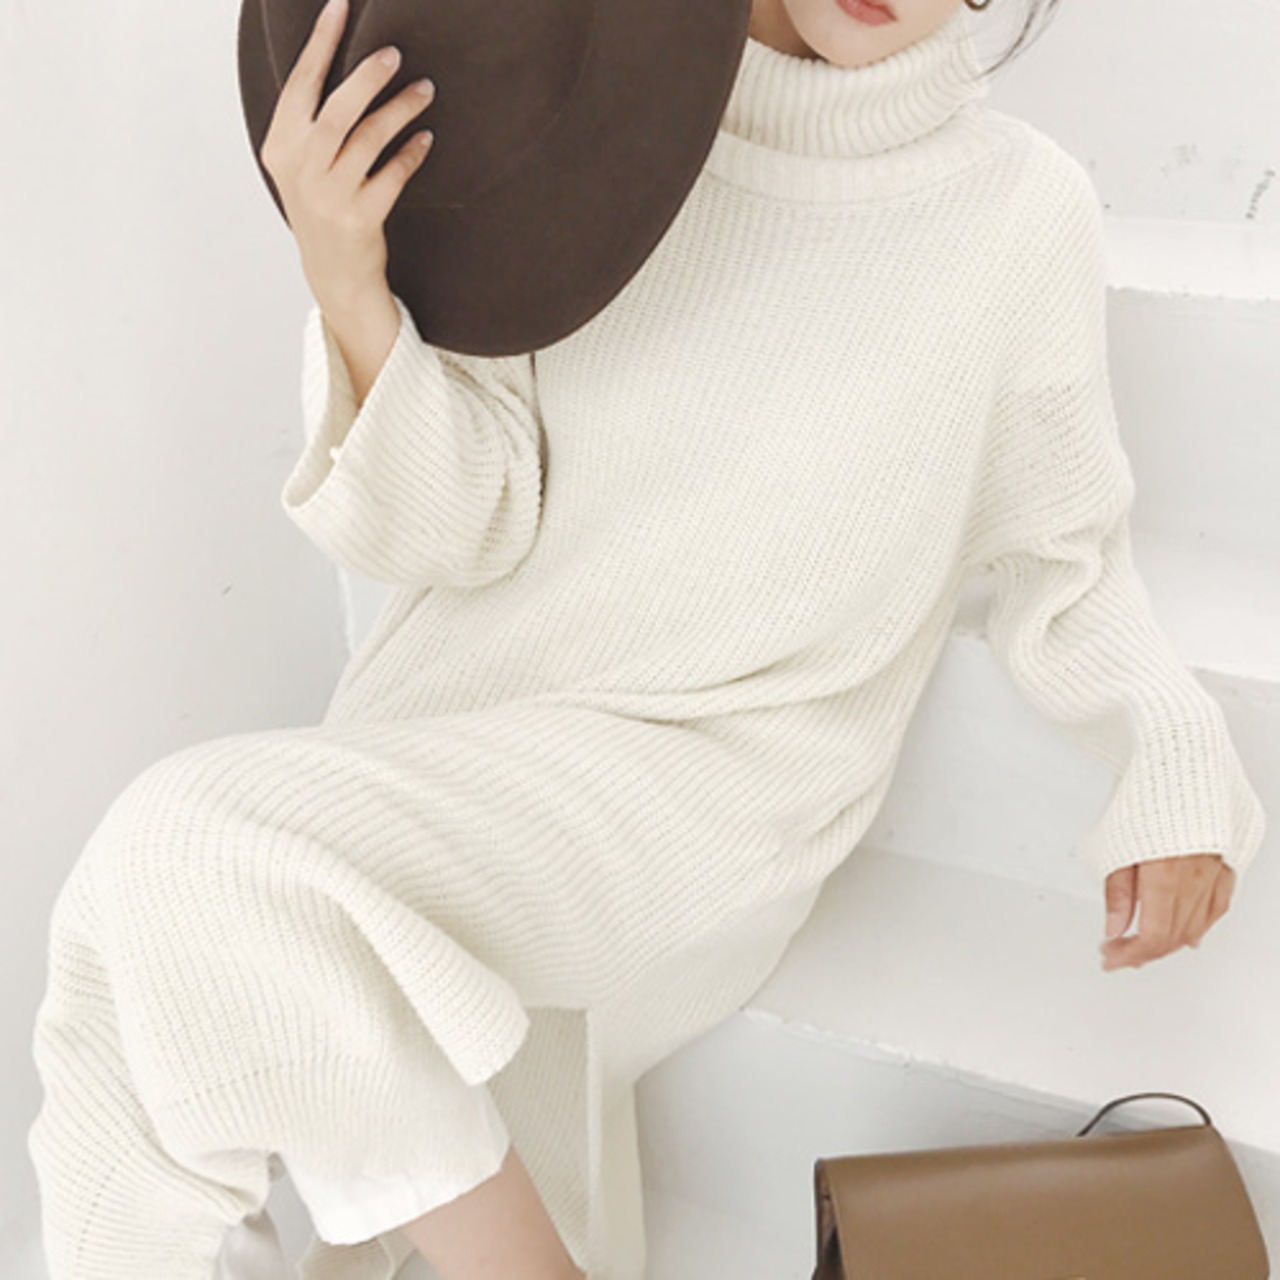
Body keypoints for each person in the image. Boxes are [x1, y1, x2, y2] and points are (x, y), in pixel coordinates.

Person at [27, 0, 1266, 1277]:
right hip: (459, 727)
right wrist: (348, 285)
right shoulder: (576, 122)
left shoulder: (1015, 209)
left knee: (177, 861)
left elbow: (1065, 549)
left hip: (712, 780)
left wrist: (1166, 745)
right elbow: (457, 525)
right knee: (118, 984)